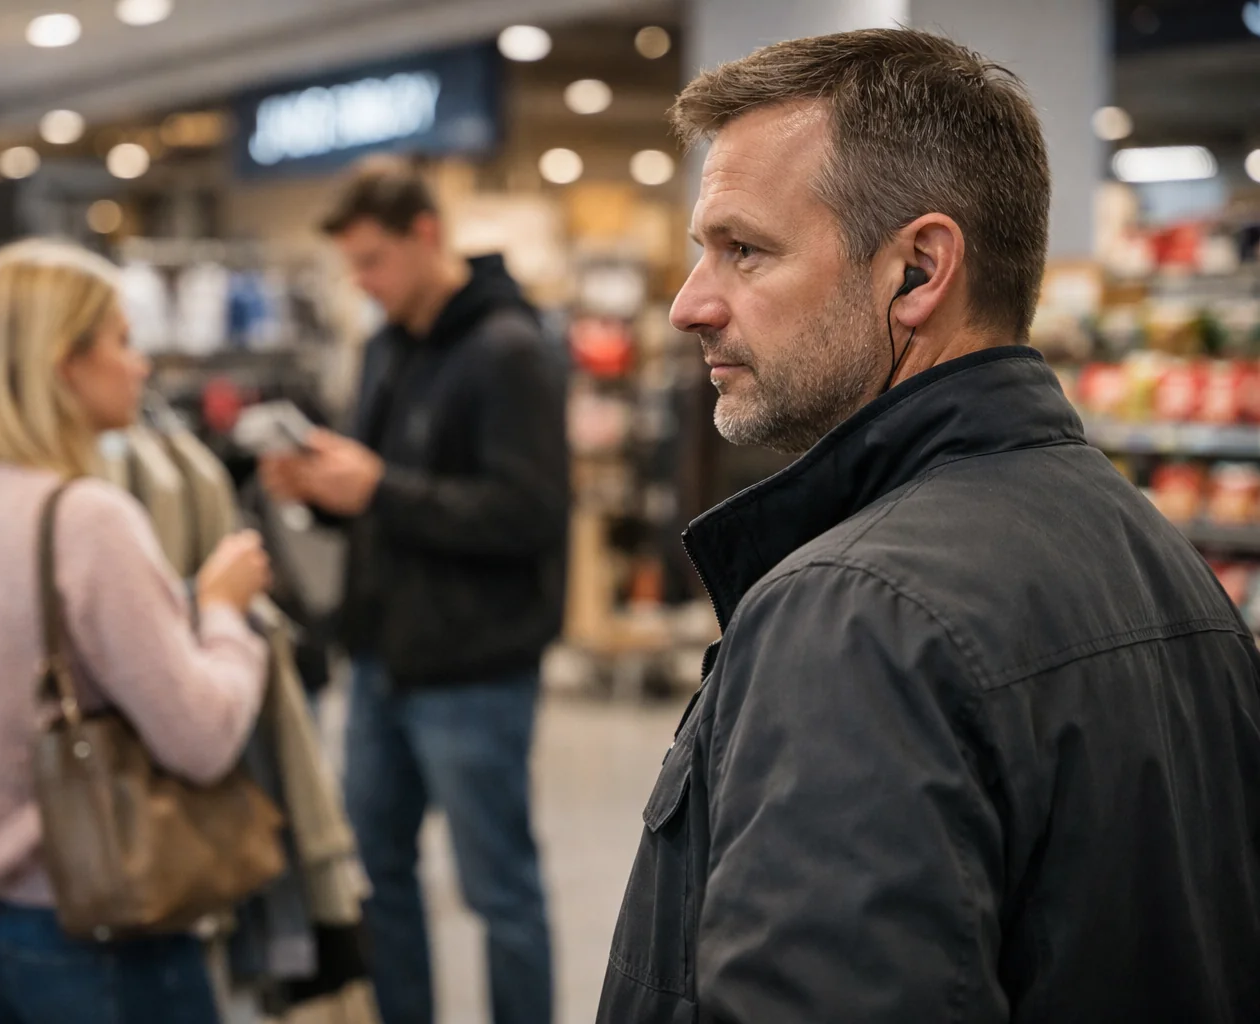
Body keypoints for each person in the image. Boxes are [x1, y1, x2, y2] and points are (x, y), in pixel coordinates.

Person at [600, 28, 1260, 1024]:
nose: (691, 303)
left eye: (745, 250)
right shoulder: (1164, 561)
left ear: (918, 271)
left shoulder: (854, 618)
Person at [0, 238, 273, 1024]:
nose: (141, 366)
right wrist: (223, 611)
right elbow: (203, 736)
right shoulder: (88, 520)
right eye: (121, 340)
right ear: (63, 364)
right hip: (101, 926)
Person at [261, 159, 568, 1024]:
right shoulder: (388, 344)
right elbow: (378, 497)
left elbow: (532, 513)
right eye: (352, 266)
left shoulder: (510, 349)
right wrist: (325, 496)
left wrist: (378, 490)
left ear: (425, 236)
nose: (361, 283)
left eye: (372, 261)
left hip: (476, 667)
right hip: (383, 659)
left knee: (497, 888)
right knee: (380, 875)